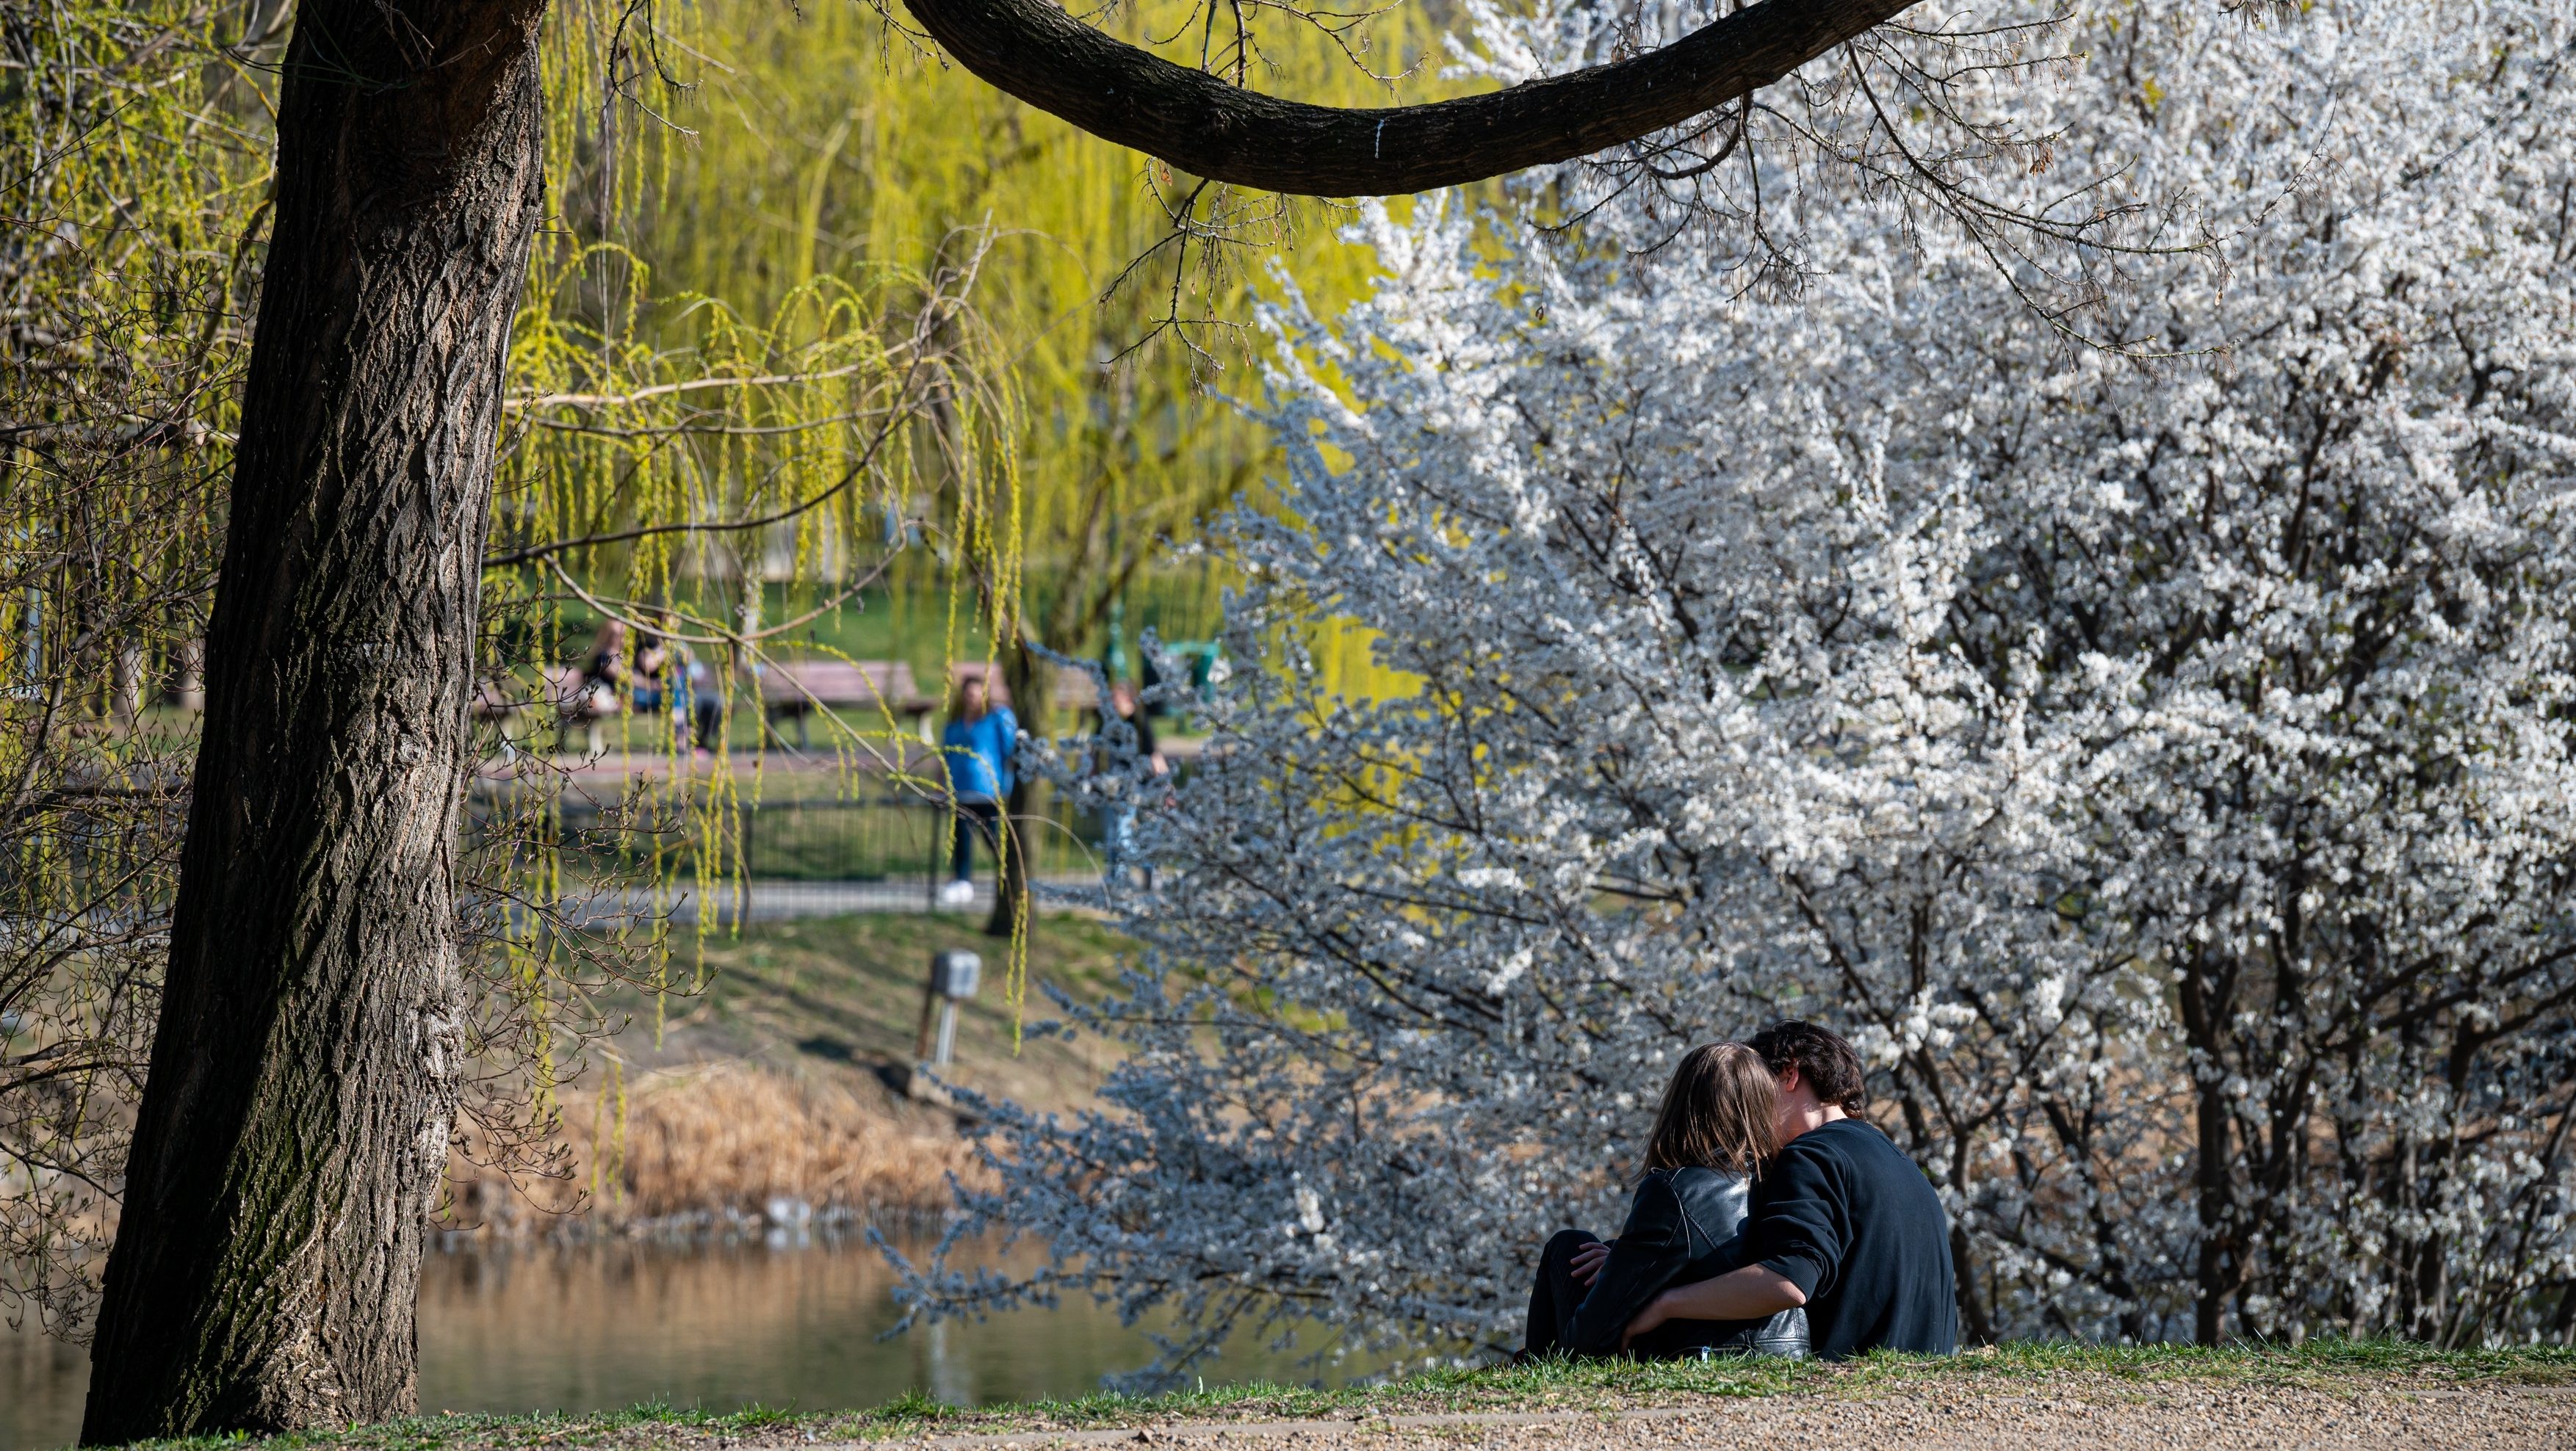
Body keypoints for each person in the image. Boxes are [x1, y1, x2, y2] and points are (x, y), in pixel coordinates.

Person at [1622, 1021, 1958, 1360]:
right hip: (1922, 1375)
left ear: (1790, 1073)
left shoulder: (1811, 1155)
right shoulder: (1899, 1161)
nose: (1750, 1110)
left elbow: (1789, 1279)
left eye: (1758, 1088)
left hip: (1849, 1378)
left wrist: (1666, 1303)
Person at [1523, 1043, 1809, 1360]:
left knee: (1567, 1246)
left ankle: (1535, 1366)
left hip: (1706, 1354)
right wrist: (1620, 1259)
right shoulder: (1789, 1178)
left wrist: (1622, 1278)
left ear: (1684, 1106)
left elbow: (1591, 1336)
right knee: (1601, 1251)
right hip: (1788, 1350)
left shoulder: (1677, 1190)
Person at [938, 675, 1017, 908]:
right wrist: (941, 785)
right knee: (961, 838)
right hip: (961, 790)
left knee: (994, 837)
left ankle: (1008, 875)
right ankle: (962, 880)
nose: (972, 699)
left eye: (976, 694)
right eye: (969, 694)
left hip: (987, 791)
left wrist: (1007, 785)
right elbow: (946, 756)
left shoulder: (995, 721)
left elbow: (1010, 750)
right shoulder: (955, 725)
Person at [1094, 679, 1168, 880]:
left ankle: (1145, 867)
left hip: (1131, 789)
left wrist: (1166, 787)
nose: (1112, 702)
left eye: (1116, 698)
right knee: (1111, 835)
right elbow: (1096, 753)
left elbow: (1154, 756)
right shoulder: (1107, 724)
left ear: (1128, 699)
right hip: (1110, 788)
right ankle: (1117, 876)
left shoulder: (1139, 723)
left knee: (1122, 834)